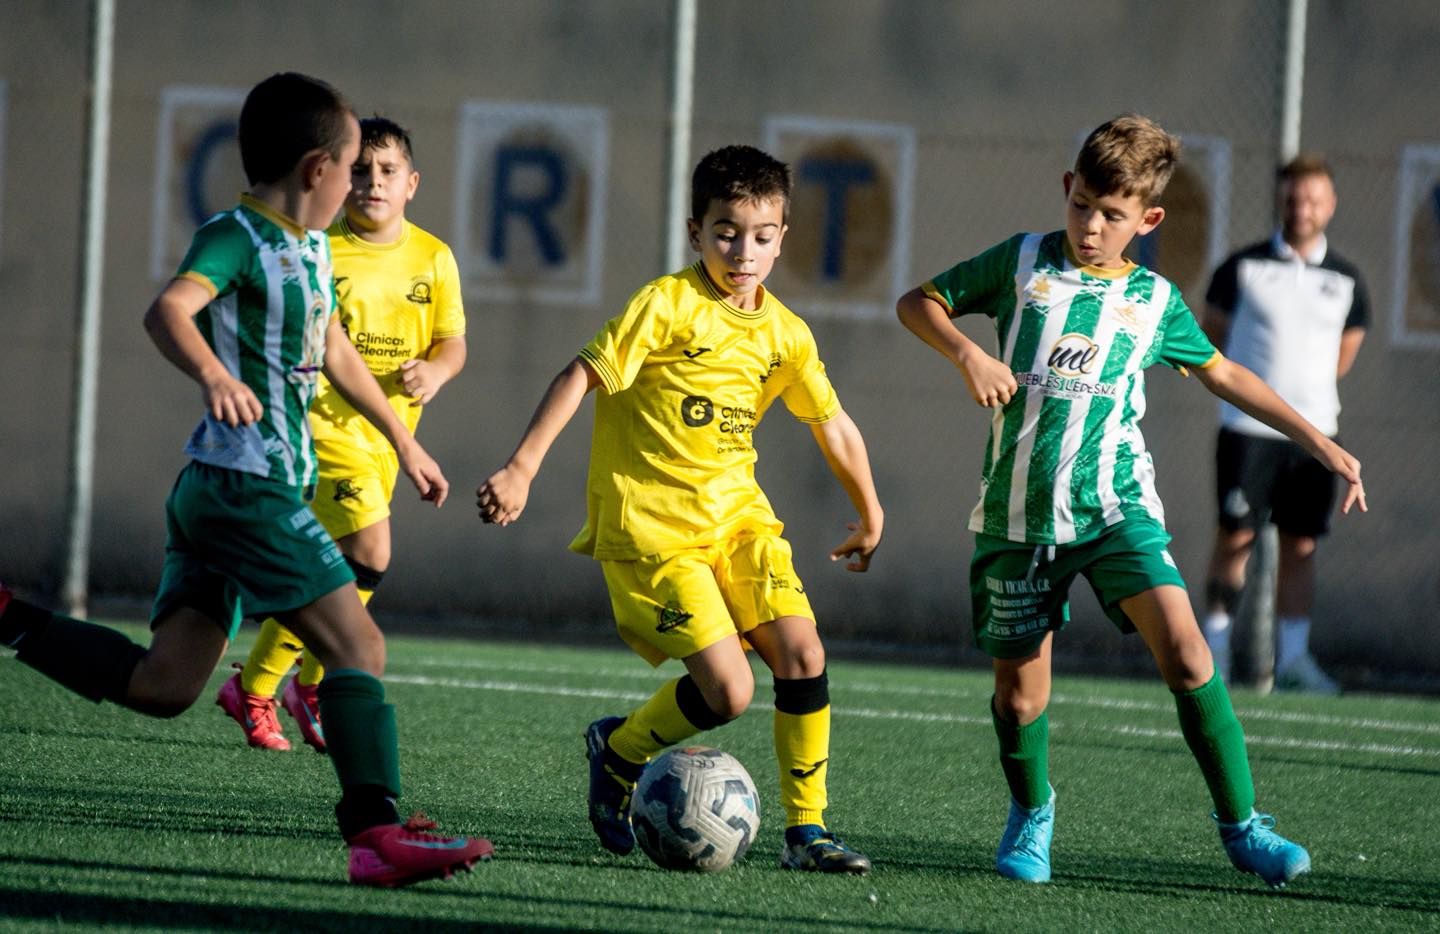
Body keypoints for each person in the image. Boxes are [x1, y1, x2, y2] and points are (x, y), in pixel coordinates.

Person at [0, 74, 490, 887]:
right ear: (315, 170)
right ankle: (375, 836)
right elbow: (170, 309)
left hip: (220, 492)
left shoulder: (306, 250)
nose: (359, 184)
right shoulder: (237, 234)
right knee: (358, 643)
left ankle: (10, 618)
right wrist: (211, 376)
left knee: (164, 686)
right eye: (350, 167)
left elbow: (332, 349)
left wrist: (403, 442)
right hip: (246, 486)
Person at [895, 115, 1365, 888]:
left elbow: (1225, 374)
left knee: (1186, 651)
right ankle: (1032, 812)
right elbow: (920, 302)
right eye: (1082, 205)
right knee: (1018, 700)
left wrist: (1320, 441)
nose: (1091, 225)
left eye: (1113, 215)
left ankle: (1243, 826)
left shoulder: (1153, 301)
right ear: (1066, 189)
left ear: (1147, 220)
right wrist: (969, 353)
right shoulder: (1019, 262)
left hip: (1114, 507)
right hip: (1018, 513)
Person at [476, 145, 883, 874]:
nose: (743, 251)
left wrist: (869, 508)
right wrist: (521, 468)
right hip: (654, 532)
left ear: (783, 235)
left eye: (761, 235)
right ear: (696, 231)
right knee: (730, 690)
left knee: (804, 653)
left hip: (740, 522)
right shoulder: (665, 305)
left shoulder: (786, 333)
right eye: (726, 232)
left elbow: (833, 423)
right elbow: (580, 376)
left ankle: (809, 833)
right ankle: (621, 748)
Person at [217, 115, 468, 751]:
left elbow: (454, 341)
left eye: (387, 172)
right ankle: (270, 683)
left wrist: (436, 370)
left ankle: (289, 680)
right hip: (326, 428)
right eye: (360, 170)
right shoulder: (322, 250)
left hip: (389, 435)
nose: (372, 183)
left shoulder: (434, 257)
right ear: (338, 177)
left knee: (336, 565)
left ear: (412, 184)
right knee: (371, 552)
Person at [1199, 154, 1369, 694]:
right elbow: (1213, 338)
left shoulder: (1348, 281)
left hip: (1317, 439)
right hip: (1247, 435)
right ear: (1280, 200)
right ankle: (1215, 654)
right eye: (1294, 198)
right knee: (1236, 537)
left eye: (1313, 199)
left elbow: (1343, 356)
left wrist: (1304, 409)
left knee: (1301, 546)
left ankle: (1293, 661)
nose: (1302, 209)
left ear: (1331, 204)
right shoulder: (1242, 267)